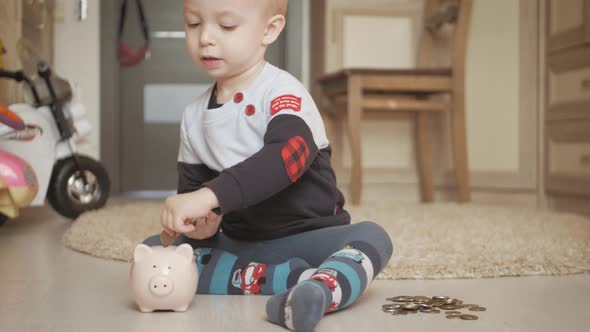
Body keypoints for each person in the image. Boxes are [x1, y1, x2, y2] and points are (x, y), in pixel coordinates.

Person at [143, 0, 393, 330]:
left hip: (310, 236)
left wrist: (209, 196)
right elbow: (195, 199)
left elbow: (285, 160)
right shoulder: (194, 116)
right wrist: (197, 224)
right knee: (155, 250)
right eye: (193, 24)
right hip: (242, 242)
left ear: (269, 30)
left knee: (373, 238)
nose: (205, 37)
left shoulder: (282, 93)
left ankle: (318, 290)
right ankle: (288, 279)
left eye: (227, 26)